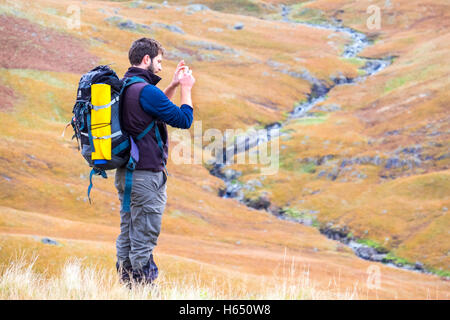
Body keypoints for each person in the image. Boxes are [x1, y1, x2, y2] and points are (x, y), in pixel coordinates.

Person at [114, 37, 195, 285]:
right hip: (146, 177)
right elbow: (183, 119)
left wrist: (171, 85)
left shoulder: (124, 86)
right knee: (144, 236)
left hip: (125, 174)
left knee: (127, 233)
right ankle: (144, 289)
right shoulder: (145, 91)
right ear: (146, 59)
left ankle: (126, 286)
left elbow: (153, 108)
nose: (160, 67)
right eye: (158, 61)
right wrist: (186, 88)